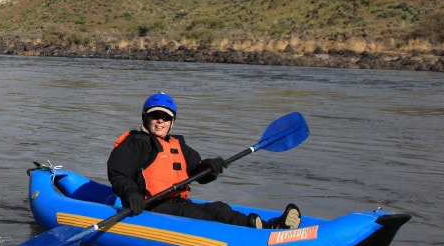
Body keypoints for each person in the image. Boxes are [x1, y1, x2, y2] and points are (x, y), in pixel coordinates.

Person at [107, 92, 301, 230]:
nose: (160, 121)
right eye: (155, 116)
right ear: (145, 118)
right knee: (201, 217)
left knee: (219, 208)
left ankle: (269, 226)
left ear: (171, 122)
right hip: (150, 207)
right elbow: (118, 173)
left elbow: (198, 170)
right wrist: (131, 193)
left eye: (165, 117)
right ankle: (253, 233)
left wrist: (210, 167)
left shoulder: (178, 145)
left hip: (176, 204)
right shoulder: (137, 143)